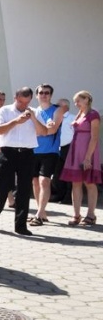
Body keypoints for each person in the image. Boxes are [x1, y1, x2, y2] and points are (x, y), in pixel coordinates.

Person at [0, 87, 49, 236]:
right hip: (8, 153)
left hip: (27, 154)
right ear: (15, 98)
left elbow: (44, 132)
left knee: (24, 190)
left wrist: (33, 118)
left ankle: (20, 226)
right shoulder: (5, 111)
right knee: (2, 188)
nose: (23, 105)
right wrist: (16, 121)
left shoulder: (35, 112)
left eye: (26, 102)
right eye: (20, 102)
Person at [59, 90, 100, 226]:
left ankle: (91, 215)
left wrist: (88, 158)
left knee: (89, 183)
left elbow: (94, 138)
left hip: (87, 152)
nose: (76, 104)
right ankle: (76, 214)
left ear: (86, 99)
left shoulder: (93, 115)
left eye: (78, 101)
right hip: (75, 151)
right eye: (75, 101)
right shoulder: (80, 113)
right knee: (75, 183)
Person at [29, 84, 65, 225]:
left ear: (51, 95)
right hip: (33, 151)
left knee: (44, 181)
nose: (44, 95)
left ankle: (39, 214)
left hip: (50, 151)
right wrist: (43, 130)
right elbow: (32, 132)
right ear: (36, 95)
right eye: (41, 92)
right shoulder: (33, 111)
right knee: (35, 182)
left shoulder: (57, 110)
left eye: (47, 92)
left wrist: (39, 130)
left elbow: (52, 131)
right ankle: (41, 212)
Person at [51, 97, 76, 203]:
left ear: (65, 107)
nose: (56, 108)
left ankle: (68, 197)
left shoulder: (72, 118)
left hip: (69, 147)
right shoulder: (55, 118)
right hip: (56, 147)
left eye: (58, 106)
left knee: (68, 173)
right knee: (57, 172)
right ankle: (58, 194)